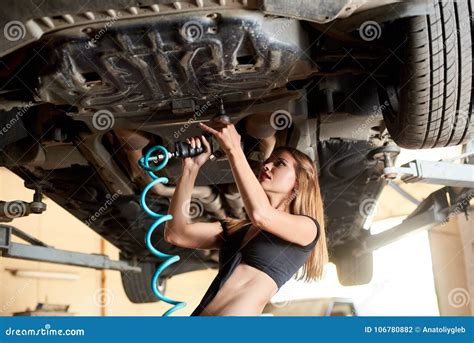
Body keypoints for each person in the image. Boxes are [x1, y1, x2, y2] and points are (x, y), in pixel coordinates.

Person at [163, 117, 328, 316]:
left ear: (298, 183)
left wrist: (234, 149)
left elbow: (261, 215)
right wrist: (190, 170)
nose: (267, 166)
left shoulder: (308, 228)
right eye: (268, 161)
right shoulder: (236, 229)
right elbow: (176, 234)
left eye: (280, 163)